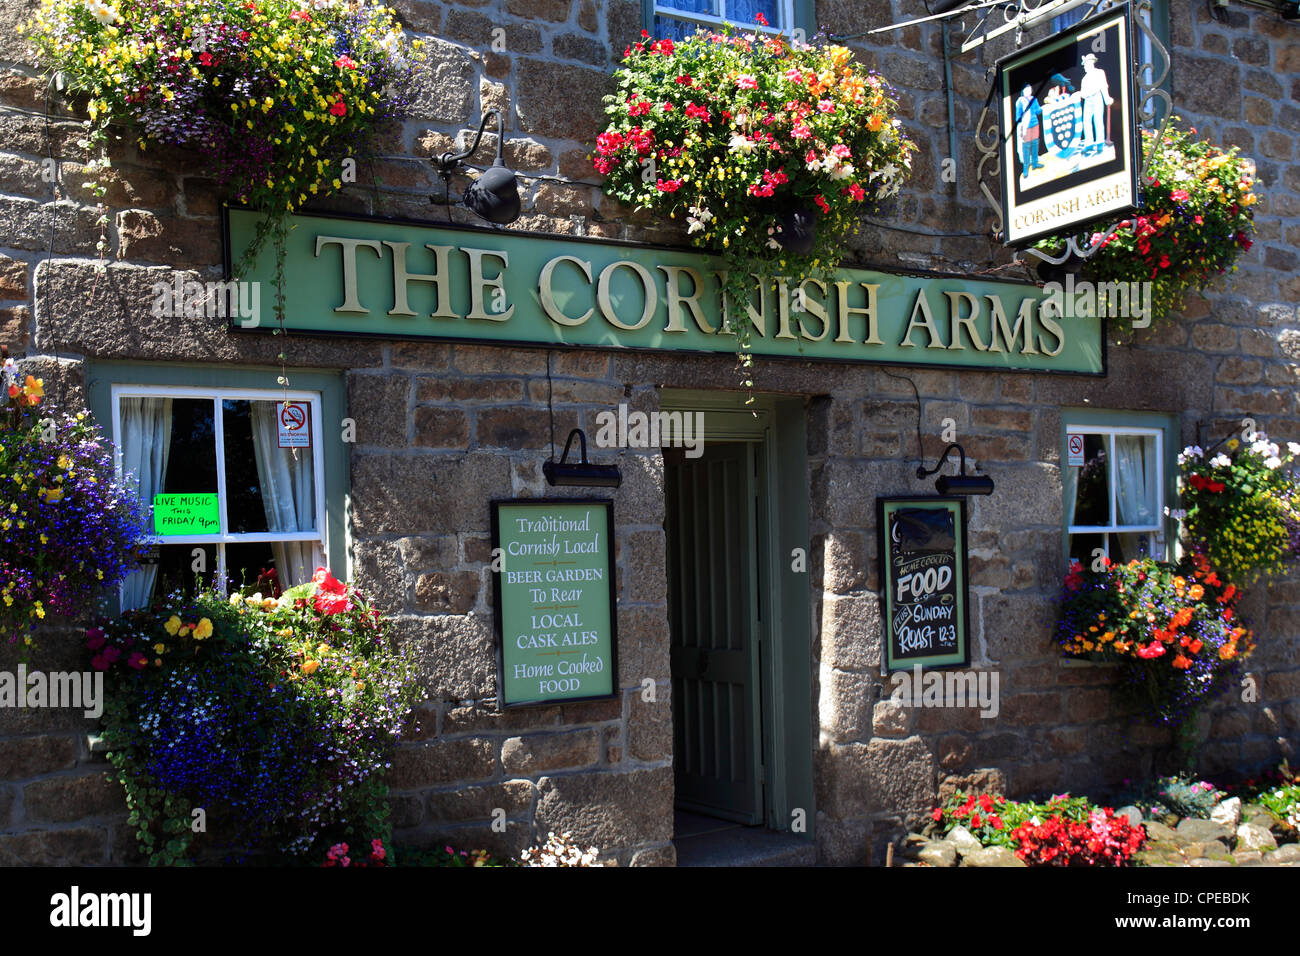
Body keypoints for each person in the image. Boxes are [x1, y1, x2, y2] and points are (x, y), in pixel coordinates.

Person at [1079, 53, 1113, 157]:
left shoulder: (1099, 73)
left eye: (1086, 64)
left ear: (1091, 63)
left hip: (1097, 97)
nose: (1085, 66)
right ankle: (1089, 142)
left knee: (1098, 120)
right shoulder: (1084, 79)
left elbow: (1103, 86)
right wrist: (1082, 94)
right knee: (1086, 121)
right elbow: (1083, 93)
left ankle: (1099, 143)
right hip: (1088, 101)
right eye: (1084, 65)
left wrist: (1106, 98)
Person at [1015, 84, 1044, 175]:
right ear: (1023, 91)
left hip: (1035, 124)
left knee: (1035, 144)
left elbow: (1037, 110)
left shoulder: (1034, 100)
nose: (1028, 91)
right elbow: (1018, 115)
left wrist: (1044, 107)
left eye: (1030, 89)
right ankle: (1026, 168)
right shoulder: (1021, 101)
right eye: (1026, 89)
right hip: (1026, 126)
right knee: (1026, 147)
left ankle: (1035, 163)